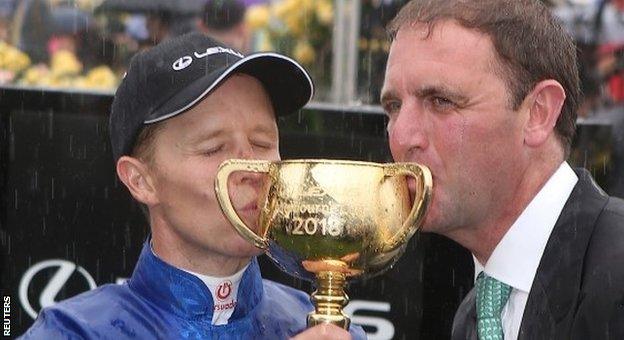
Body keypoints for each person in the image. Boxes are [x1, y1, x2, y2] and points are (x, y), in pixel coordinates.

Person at [19, 32, 364, 339]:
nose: (254, 169)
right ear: (141, 181)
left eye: (262, 143)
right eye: (214, 148)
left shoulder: (323, 326)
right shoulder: (71, 331)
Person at [381, 0, 624, 339]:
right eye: (393, 106)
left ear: (538, 113)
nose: (402, 136)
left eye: (441, 101)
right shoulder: (474, 313)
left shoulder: (614, 275)